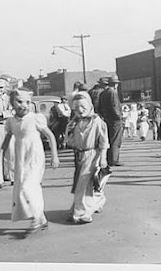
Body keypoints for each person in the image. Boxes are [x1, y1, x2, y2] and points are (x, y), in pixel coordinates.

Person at [2, 88, 59, 233]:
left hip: (34, 156)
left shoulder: (35, 118)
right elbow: (7, 139)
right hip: (20, 157)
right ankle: (41, 218)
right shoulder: (11, 121)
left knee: (29, 186)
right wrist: (0, 158)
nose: (24, 105)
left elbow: (50, 136)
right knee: (24, 187)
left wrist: (54, 156)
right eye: (19, 102)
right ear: (12, 103)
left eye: (27, 102)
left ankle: (36, 218)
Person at [65, 92, 109, 224]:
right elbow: (69, 141)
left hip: (92, 155)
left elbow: (103, 142)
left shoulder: (97, 122)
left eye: (83, 107)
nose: (80, 111)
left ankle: (81, 213)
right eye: (76, 108)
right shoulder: (74, 123)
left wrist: (103, 158)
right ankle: (96, 202)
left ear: (90, 106)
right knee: (85, 183)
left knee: (83, 185)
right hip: (79, 155)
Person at [98, 75, 124, 166]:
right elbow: (115, 106)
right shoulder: (112, 93)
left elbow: (99, 108)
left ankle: (109, 158)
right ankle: (114, 159)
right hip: (115, 120)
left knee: (108, 138)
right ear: (115, 84)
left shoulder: (103, 93)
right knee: (115, 140)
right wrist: (119, 117)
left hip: (107, 119)